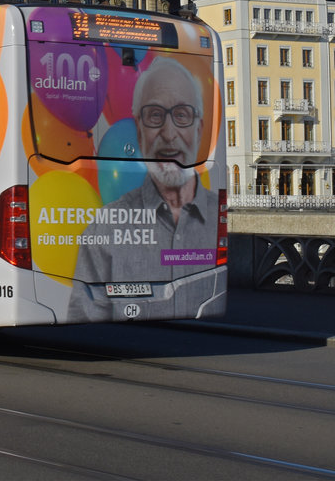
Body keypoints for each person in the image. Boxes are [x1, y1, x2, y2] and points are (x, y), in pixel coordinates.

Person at [67, 57, 222, 321]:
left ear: (200, 128)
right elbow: (83, 320)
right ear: (139, 131)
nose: (169, 133)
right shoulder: (102, 229)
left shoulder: (216, 218)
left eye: (182, 115)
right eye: (155, 116)